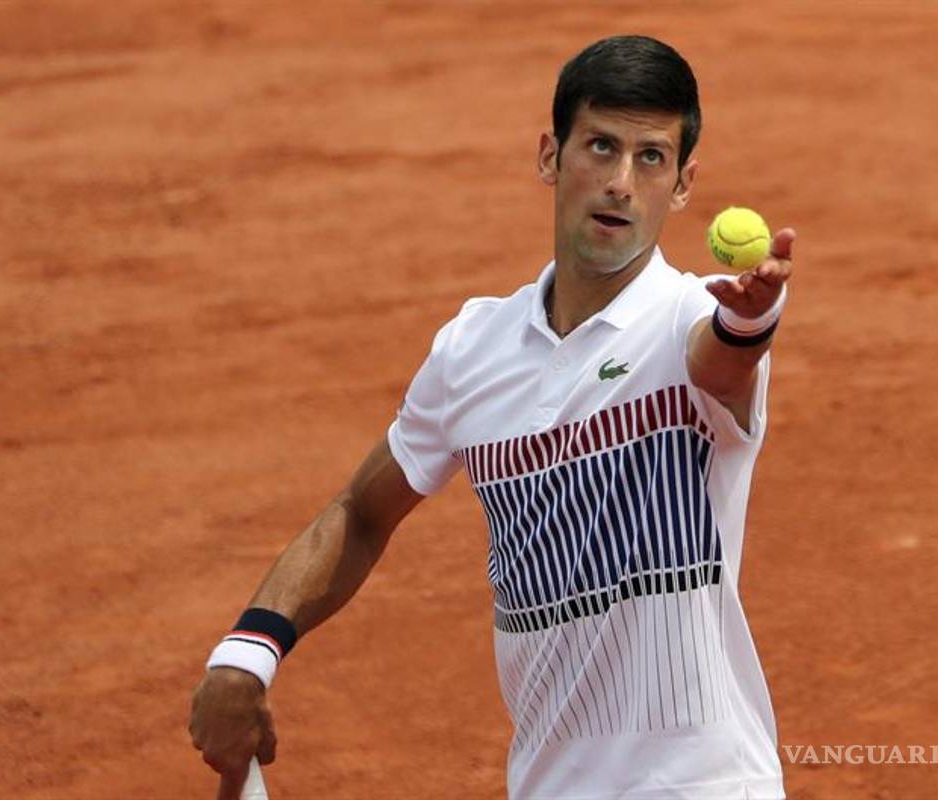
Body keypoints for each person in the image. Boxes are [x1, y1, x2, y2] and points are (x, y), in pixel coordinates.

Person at [190, 34, 793, 800]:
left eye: (650, 159)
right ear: (550, 156)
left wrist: (750, 323)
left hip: (704, 785)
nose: (618, 183)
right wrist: (249, 652)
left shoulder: (691, 319)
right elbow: (360, 511)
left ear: (682, 186)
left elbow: (723, 358)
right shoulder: (472, 349)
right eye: (599, 147)